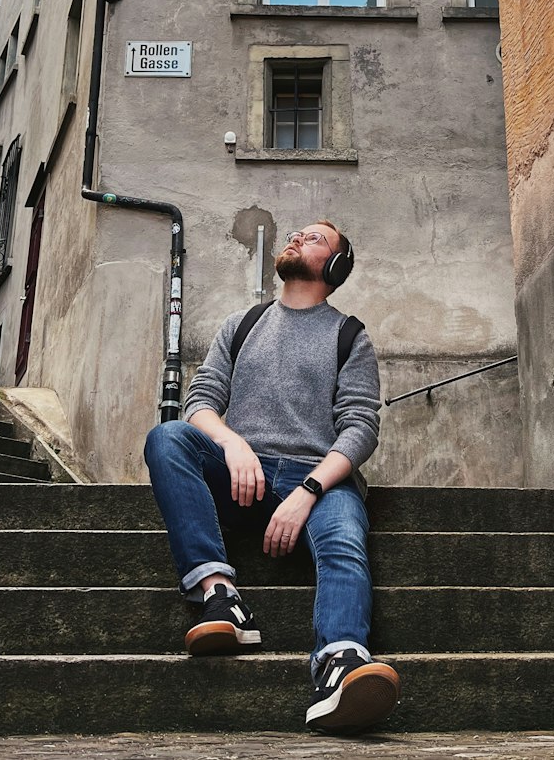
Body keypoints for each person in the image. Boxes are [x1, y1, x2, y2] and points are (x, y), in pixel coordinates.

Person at [144, 220, 400, 734]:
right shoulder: (242, 324)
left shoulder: (349, 335)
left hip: (318, 481)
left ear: (336, 265)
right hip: (244, 477)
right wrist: (233, 443)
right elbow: (200, 402)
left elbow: (359, 427)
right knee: (167, 438)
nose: (296, 238)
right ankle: (220, 598)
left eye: (314, 238)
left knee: (344, 540)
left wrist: (308, 490)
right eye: (297, 233)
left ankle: (340, 663)